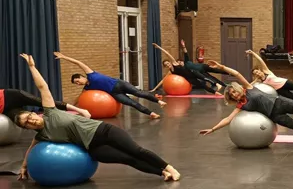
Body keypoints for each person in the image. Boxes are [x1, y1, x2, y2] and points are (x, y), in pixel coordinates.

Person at [15, 54, 180, 182]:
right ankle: (162, 172)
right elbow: (31, 150)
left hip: (103, 131)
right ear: (27, 128)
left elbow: (42, 87)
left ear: (34, 114)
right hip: (93, 148)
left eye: (29, 116)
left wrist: (32, 67)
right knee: (128, 159)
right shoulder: (42, 136)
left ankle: (170, 167)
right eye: (27, 123)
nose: (31, 121)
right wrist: (24, 167)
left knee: (136, 150)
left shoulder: (50, 111)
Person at [199, 60, 293, 150]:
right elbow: (227, 119)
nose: (235, 95)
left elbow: (237, 74)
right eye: (232, 96)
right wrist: (212, 129)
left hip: (280, 103)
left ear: (238, 89)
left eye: (234, 92)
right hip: (275, 115)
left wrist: (221, 67)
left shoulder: (249, 88)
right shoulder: (241, 106)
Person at [56, 52, 166, 119]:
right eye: (76, 83)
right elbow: (79, 99)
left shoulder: (90, 74)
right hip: (115, 93)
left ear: (81, 77)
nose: (78, 83)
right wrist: (70, 108)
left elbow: (78, 63)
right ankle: (151, 113)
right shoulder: (87, 88)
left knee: (139, 93)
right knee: (132, 103)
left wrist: (64, 57)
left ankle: (159, 101)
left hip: (120, 84)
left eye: (78, 80)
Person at [152, 43, 223, 95]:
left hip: (192, 72)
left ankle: (217, 84)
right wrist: (154, 89)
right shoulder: (170, 71)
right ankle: (215, 92)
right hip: (189, 79)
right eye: (166, 65)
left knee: (205, 78)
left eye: (167, 63)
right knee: (202, 86)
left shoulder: (175, 63)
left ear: (169, 62)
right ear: (165, 66)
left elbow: (167, 54)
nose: (168, 65)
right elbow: (163, 80)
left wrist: (158, 47)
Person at [2, 88, 90, 119]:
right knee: (24, 120)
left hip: (10, 95)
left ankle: (80, 110)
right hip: (5, 109)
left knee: (43, 102)